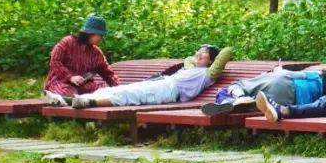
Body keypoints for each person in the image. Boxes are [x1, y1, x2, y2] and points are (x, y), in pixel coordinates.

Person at [45, 44, 234, 108]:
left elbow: (227, 52)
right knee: (121, 89)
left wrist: (211, 53)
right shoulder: (191, 67)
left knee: (129, 96)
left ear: (212, 60)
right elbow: (188, 59)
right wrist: (197, 57)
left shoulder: (208, 74)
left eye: (204, 53)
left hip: (170, 91)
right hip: (163, 83)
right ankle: (67, 100)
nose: (199, 54)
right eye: (198, 51)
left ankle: (89, 102)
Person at [202, 67, 326, 116]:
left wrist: (278, 70)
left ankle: (235, 98)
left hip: (283, 83)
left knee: (233, 86)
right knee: (257, 104)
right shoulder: (321, 94)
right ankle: (238, 103)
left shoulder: (316, 76)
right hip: (287, 102)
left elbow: (290, 74)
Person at [42, 14, 120, 98]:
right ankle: (54, 97)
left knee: (103, 92)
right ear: (91, 34)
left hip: (83, 86)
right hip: (60, 82)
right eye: (100, 35)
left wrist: (118, 89)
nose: (102, 38)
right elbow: (55, 61)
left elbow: (107, 73)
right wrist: (70, 77)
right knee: (71, 94)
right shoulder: (67, 42)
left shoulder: (96, 52)